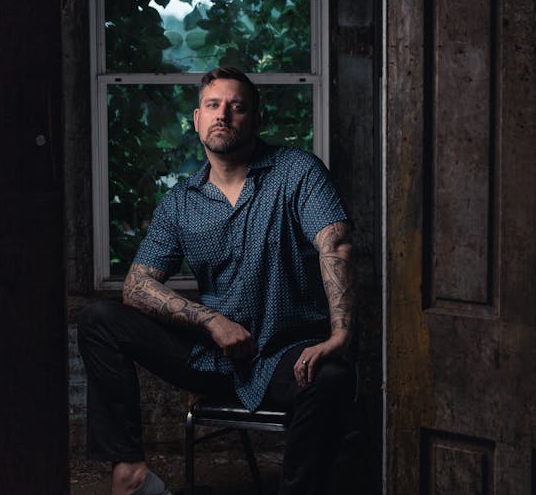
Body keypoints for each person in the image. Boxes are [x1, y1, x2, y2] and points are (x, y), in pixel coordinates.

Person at [78, 66, 356, 495]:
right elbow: (136, 286)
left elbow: (335, 245)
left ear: (256, 120)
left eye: (237, 106)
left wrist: (338, 335)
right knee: (99, 319)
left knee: (333, 377)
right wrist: (211, 321)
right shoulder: (181, 201)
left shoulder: (296, 171)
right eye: (213, 105)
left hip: (286, 352)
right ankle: (131, 473)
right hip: (213, 357)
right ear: (197, 119)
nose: (223, 114)